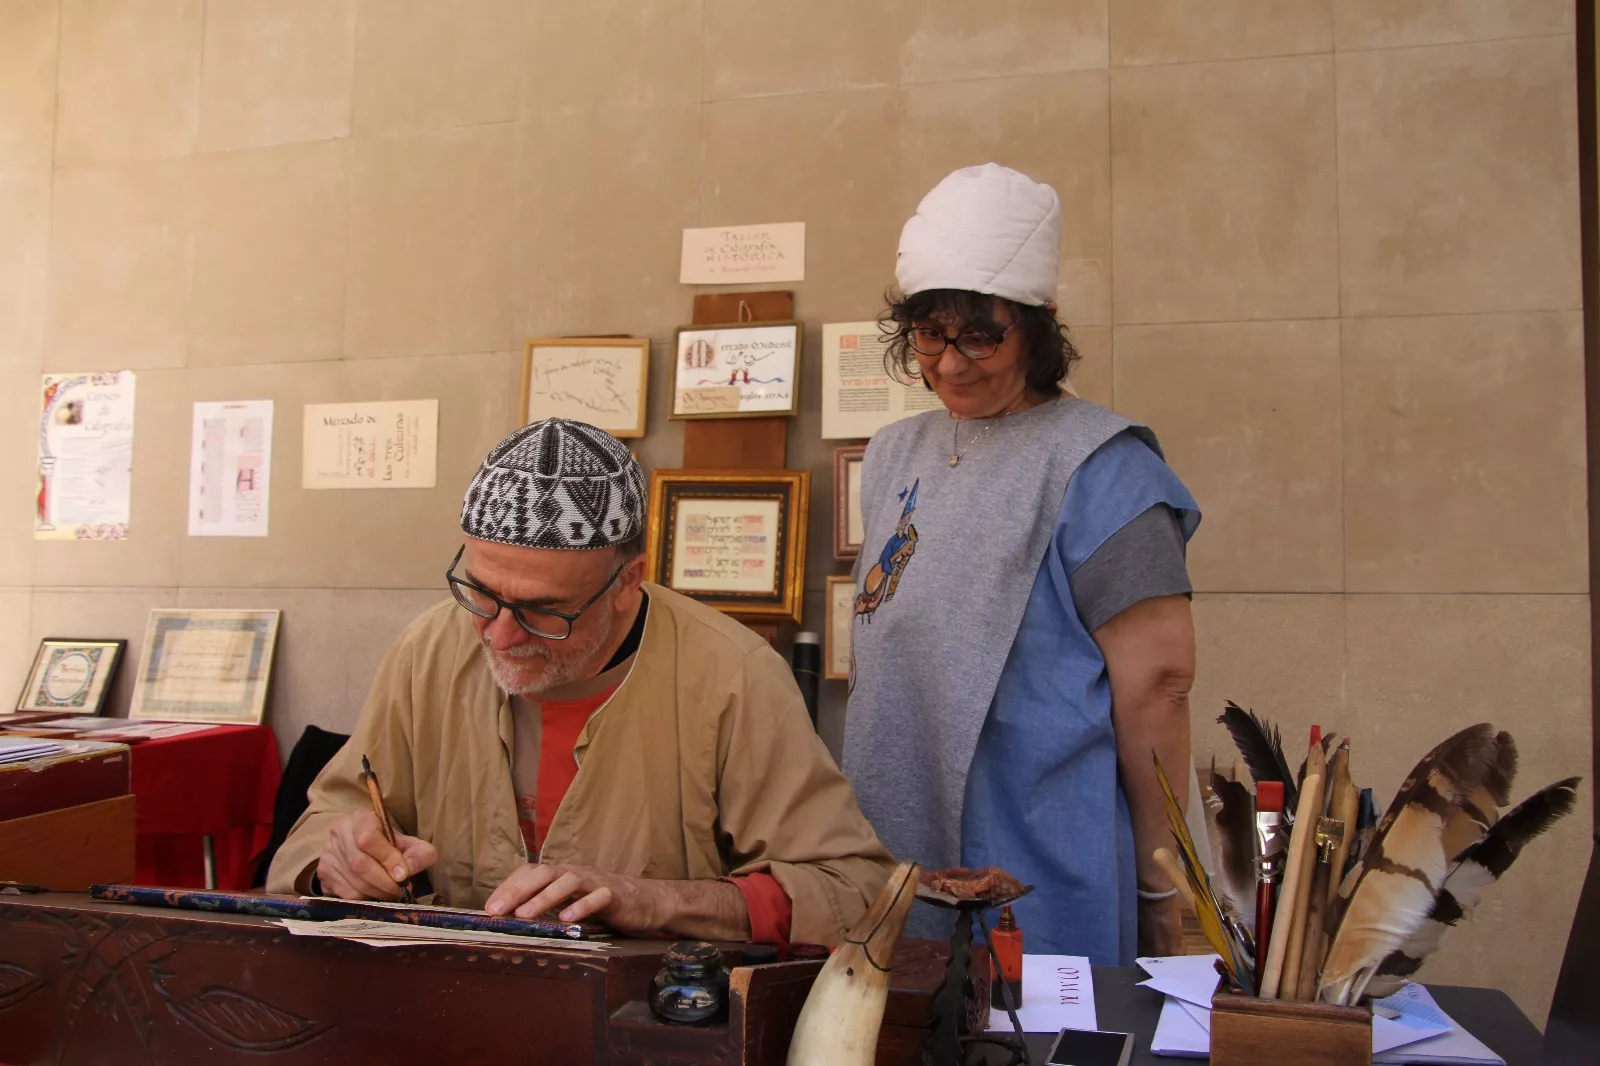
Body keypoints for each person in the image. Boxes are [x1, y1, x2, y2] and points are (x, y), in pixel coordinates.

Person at [268, 419, 894, 946]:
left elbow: (849, 889)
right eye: (481, 594)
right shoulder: (429, 648)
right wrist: (339, 859)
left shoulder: (733, 675)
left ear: (628, 582)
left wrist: (656, 903)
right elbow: (333, 815)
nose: (500, 635)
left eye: (544, 610)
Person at [842, 164, 1201, 963]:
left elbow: (1159, 689)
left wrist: (1163, 884)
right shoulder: (898, 451)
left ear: (1041, 325)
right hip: (893, 853)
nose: (953, 362)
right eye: (931, 334)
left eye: (982, 334)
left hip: (1040, 854)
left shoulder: (1108, 468)